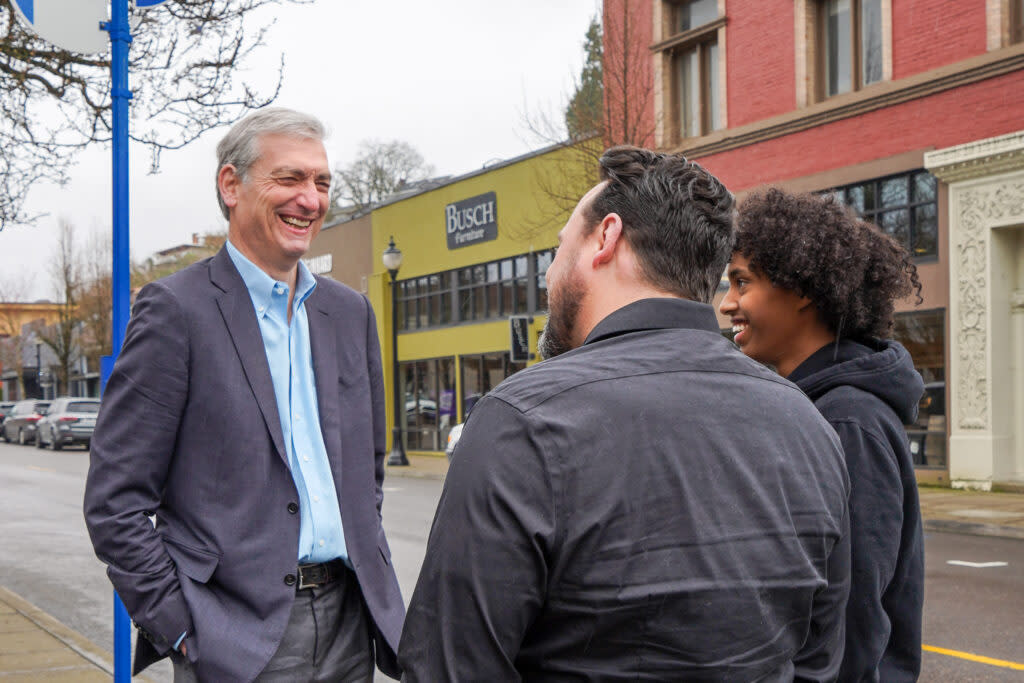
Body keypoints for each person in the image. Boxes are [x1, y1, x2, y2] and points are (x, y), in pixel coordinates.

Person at [399, 146, 852, 681]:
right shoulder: (808, 425)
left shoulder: (520, 420)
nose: (548, 274)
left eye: (558, 247)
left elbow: (450, 667)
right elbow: (818, 659)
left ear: (605, 237)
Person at [84, 108, 405, 683]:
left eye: (322, 182)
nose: (311, 199)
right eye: (290, 179)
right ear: (231, 186)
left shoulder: (348, 312)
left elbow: (366, 473)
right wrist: (183, 628)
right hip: (234, 638)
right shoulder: (176, 311)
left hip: (350, 622)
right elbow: (116, 501)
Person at [721, 188, 925, 682]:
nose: (727, 304)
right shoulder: (812, 407)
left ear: (803, 289)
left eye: (742, 282)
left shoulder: (848, 421)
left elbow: (854, 614)